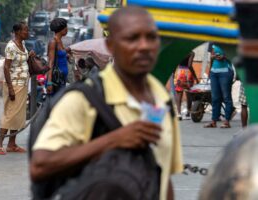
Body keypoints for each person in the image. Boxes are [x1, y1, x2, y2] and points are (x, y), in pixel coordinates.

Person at [30, 6, 183, 200]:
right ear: (111, 45)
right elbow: (40, 165)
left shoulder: (162, 100)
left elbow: (163, 176)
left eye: (151, 37)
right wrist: (115, 139)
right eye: (132, 38)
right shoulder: (83, 100)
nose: (144, 46)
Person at [0, 22, 35, 155]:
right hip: (13, 84)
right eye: (25, 30)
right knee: (9, 114)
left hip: (22, 84)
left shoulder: (22, 45)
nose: (27, 33)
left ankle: (12, 144)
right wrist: (11, 89)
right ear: (17, 32)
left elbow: (23, 62)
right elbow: (6, 67)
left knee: (17, 117)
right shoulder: (11, 46)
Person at [204, 44, 234, 128]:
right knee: (215, 98)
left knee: (226, 97)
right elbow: (211, 56)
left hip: (225, 72)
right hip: (214, 73)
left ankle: (227, 121)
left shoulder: (227, 40)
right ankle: (214, 121)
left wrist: (224, 57)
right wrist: (210, 71)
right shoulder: (212, 42)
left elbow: (234, 56)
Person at [46, 18, 70, 95]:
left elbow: (60, 55)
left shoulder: (60, 41)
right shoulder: (53, 42)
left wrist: (66, 54)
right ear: (61, 29)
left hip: (62, 79)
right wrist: (49, 82)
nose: (67, 29)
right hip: (55, 80)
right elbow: (50, 62)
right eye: (66, 27)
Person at [173, 52, 197, 120]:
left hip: (180, 72)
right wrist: (195, 76)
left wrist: (173, 73)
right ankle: (188, 113)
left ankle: (179, 114)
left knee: (179, 93)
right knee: (189, 93)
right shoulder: (191, 53)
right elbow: (189, 65)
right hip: (188, 73)